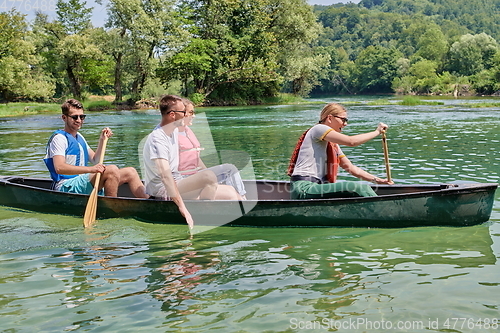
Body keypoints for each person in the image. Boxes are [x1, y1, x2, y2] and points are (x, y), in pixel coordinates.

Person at [142, 95, 241, 228]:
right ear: (172, 115)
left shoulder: (173, 131)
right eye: (184, 112)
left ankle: (232, 219)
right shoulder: (157, 139)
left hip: (179, 181)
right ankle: (203, 218)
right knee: (209, 176)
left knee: (230, 192)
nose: (187, 115)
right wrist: (183, 208)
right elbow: (166, 177)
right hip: (163, 190)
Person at [43, 99, 149, 198]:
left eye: (82, 117)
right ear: (64, 118)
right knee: (112, 170)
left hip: (81, 183)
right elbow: (60, 168)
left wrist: (102, 141)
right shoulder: (59, 139)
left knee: (130, 172)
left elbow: (95, 160)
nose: (79, 120)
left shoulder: (79, 137)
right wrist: (91, 169)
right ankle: (112, 208)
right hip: (65, 186)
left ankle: (150, 201)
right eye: (75, 117)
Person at [288, 102, 394, 199]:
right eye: (343, 119)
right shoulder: (319, 129)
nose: (345, 124)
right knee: (357, 188)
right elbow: (351, 141)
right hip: (304, 188)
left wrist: (376, 180)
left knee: (358, 189)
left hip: (316, 187)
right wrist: (377, 132)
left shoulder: (333, 144)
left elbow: (350, 167)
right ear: (330, 118)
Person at [178, 98, 247, 199]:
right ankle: (241, 201)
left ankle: (242, 198)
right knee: (229, 176)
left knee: (231, 170)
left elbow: (195, 158)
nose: (194, 116)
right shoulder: (171, 136)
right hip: (185, 179)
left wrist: (208, 175)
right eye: (191, 112)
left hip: (195, 175)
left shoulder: (187, 130)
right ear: (182, 114)